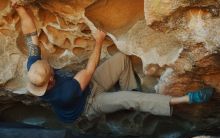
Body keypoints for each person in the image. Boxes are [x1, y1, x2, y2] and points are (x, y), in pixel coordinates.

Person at [11, 1, 214, 123]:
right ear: (51, 80)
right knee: (132, 100)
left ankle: (132, 93)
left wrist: (20, 8)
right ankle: (184, 100)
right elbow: (89, 69)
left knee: (123, 58)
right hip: (88, 104)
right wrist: (98, 41)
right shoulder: (65, 92)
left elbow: (31, 35)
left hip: (87, 86)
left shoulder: (34, 69)